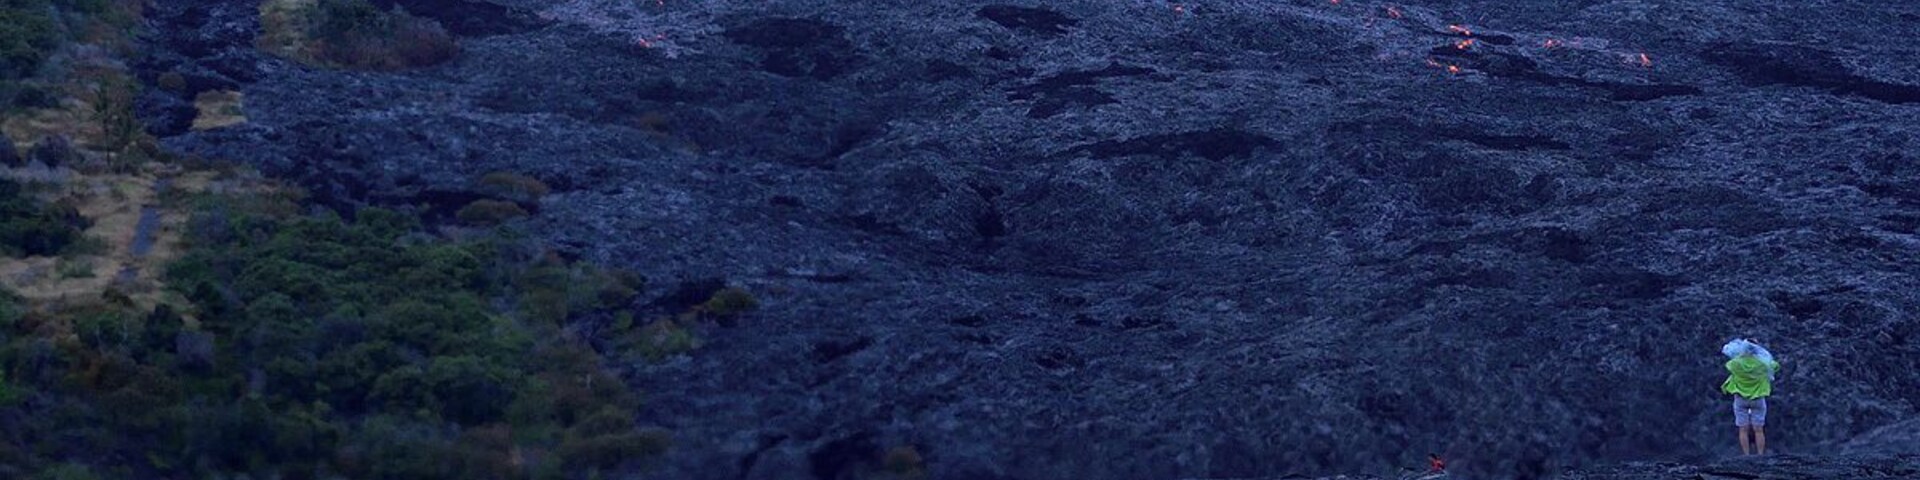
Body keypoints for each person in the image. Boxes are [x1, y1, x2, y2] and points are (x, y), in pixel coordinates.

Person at [1722, 338, 1780, 455]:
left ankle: (1746, 455)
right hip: (1758, 399)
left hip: (1740, 399)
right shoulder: (1763, 364)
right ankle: (1760, 455)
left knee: (1743, 429)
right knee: (1758, 430)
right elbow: (1776, 366)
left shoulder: (1736, 363)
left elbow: (1729, 365)